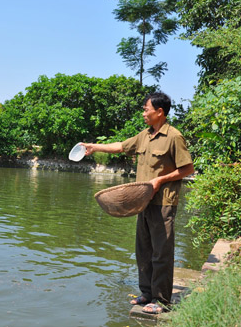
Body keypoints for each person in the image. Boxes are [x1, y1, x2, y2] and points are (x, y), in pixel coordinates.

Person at [82, 92, 194, 314]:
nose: (144, 113)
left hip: (163, 203)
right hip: (142, 202)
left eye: (146, 109)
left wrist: (160, 180)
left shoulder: (174, 137)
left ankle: (161, 301)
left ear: (159, 112)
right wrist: (94, 146)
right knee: (143, 250)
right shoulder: (145, 135)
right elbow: (121, 146)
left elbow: (188, 169)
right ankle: (146, 293)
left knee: (161, 252)